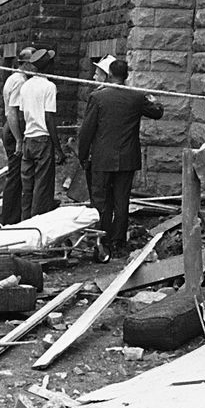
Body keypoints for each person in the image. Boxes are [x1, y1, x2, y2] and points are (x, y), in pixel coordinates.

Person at [78, 57, 163, 263]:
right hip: (127, 158)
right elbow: (158, 112)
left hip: (102, 158)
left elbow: (87, 131)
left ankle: (102, 240)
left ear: (109, 74)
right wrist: (151, 97)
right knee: (121, 200)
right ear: (126, 76)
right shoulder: (136, 97)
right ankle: (119, 242)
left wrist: (83, 156)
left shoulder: (98, 97)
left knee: (101, 201)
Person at [0, 47, 52, 225]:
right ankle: (11, 219)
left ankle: (16, 217)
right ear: (27, 64)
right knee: (16, 177)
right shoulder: (21, 81)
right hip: (15, 131)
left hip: (17, 130)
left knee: (20, 178)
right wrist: (19, 140)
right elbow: (14, 113)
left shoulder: (16, 78)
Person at [18, 51, 65, 220]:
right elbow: (49, 117)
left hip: (28, 139)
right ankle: (37, 224)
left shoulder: (25, 86)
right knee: (42, 187)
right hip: (43, 139)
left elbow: (20, 115)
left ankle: (24, 222)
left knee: (27, 186)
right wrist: (58, 148)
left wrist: (24, 136)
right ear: (48, 65)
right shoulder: (49, 86)